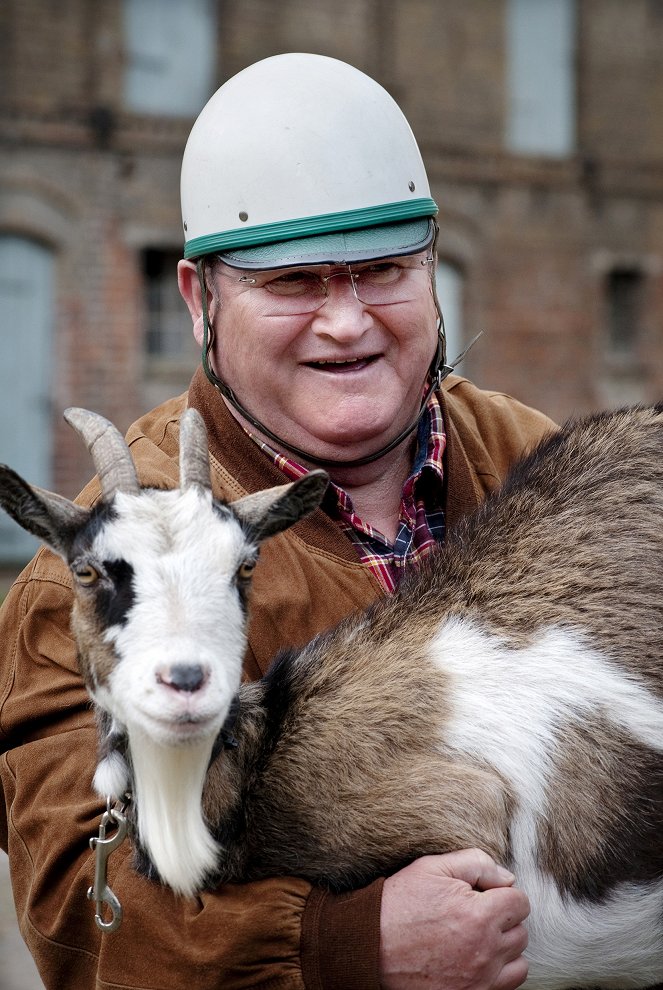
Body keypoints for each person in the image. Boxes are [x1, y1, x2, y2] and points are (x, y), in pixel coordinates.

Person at [0, 54, 555, 989]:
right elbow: (85, 916)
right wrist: (342, 944)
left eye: (382, 269)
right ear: (200, 299)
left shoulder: (535, 464)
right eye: (292, 281)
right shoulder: (99, 576)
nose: (346, 323)